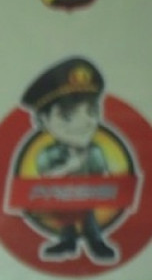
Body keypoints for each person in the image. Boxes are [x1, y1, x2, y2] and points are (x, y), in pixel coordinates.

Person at [21, 56, 118, 263]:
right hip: (61, 199)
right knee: (65, 219)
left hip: (87, 197)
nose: (85, 123)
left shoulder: (94, 151)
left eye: (92, 111)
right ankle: (67, 242)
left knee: (89, 219)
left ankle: (95, 242)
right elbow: (45, 178)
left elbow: (103, 176)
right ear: (43, 120)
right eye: (67, 115)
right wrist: (69, 167)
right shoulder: (48, 154)